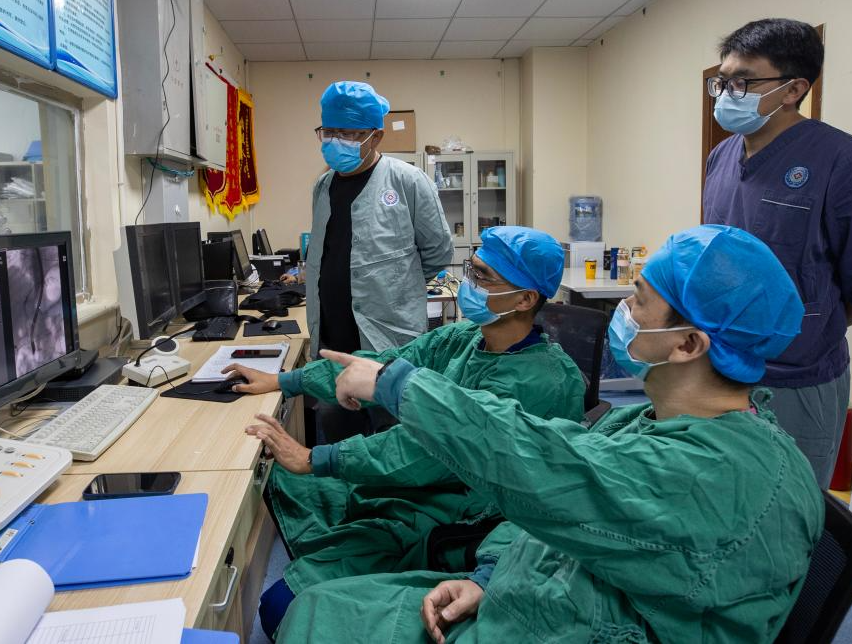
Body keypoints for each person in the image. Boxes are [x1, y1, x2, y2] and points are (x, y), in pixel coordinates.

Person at [276, 225, 824, 644]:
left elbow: (540, 462)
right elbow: (558, 500)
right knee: (315, 606)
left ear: (687, 344)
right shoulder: (656, 421)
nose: (622, 311)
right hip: (529, 589)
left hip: (569, 623)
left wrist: (398, 388)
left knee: (307, 615)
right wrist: (488, 575)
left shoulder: (715, 474)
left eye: (637, 300)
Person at [223, 226, 586, 640]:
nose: (468, 283)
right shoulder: (466, 339)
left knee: (280, 606)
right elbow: (387, 364)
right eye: (471, 269)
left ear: (525, 299)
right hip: (421, 489)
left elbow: (423, 452)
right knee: (285, 483)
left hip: (464, 516)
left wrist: (313, 458)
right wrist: (286, 381)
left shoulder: (542, 382)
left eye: (483, 277)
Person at [703, 18, 852, 487]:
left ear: (794, 89)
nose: (728, 94)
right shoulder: (722, 157)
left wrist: (805, 324)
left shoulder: (846, 162)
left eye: (743, 82)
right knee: (724, 501)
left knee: (789, 507)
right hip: (721, 365)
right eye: (723, 82)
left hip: (798, 377)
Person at [307, 80, 452, 441]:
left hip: (389, 339)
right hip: (332, 342)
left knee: (394, 440)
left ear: (376, 137)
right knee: (340, 444)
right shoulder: (322, 187)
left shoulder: (408, 181)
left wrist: (396, 285)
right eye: (330, 131)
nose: (337, 141)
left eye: (350, 133)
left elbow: (438, 251)